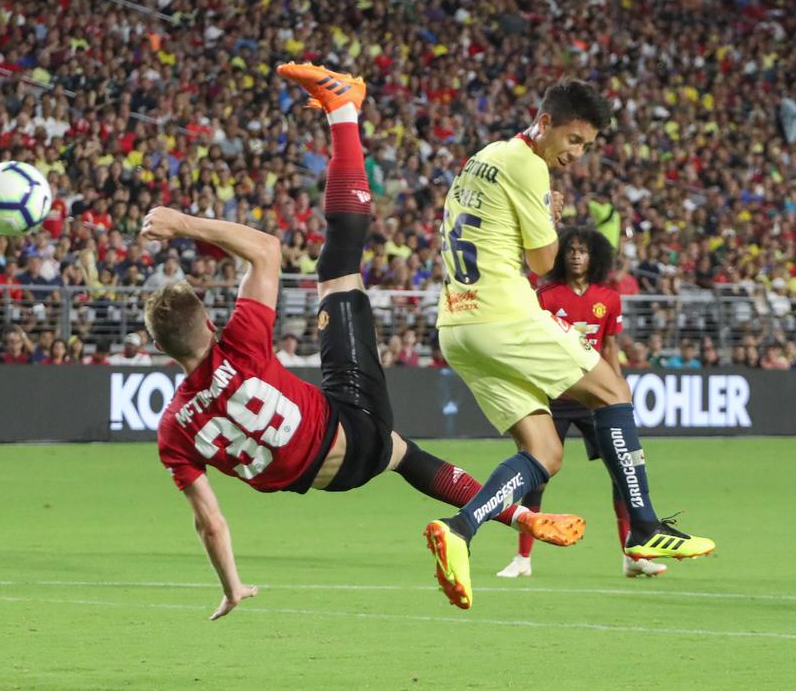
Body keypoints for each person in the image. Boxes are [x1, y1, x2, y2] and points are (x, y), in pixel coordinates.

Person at [143, 63, 583, 621]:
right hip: (349, 421)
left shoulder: (173, 429)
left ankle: (518, 518)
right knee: (339, 264)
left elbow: (209, 519)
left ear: (162, 351)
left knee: (405, 457)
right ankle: (345, 108)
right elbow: (266, 250)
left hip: (335, 475)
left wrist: (232, 587)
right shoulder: (239, 344)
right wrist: (183, 223)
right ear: (210, 324)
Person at [425, 79, 714, 610]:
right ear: (546, 120)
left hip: (456, 325)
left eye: (586, 145)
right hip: (502, 314)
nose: (575, 154)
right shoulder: (528, 164)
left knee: (545, 452)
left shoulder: (481, 158)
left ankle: (459, 530)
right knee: (613, 390)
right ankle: (644, 527)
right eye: (574, 140)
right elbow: (542, 263)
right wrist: (550, 220)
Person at [496, 226, 667, 580]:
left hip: (595, 398)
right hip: (555, 397)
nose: (576, 255)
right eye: (570, 250)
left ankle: (634, 554)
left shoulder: (609, 298)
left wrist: (619, 387)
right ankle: (522, 558)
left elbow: (609, 348)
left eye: (583, 250)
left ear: (595, 257)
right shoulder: (546, 296)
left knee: (621, 475)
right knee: (538, 477)